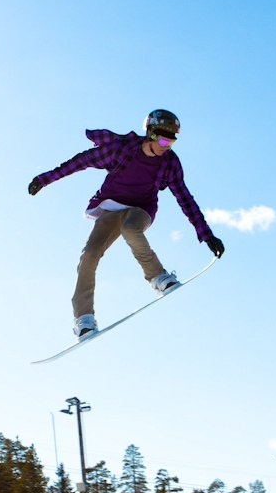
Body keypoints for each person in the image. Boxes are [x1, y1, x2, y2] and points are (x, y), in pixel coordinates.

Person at [28, 109, 224, 338]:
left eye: (171, 142)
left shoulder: (170, 163)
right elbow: (81, 161)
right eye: (163, 141)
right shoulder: (121, 150)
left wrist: (206, 235)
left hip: (141, 209)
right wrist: (44, 179)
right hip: (110, 208)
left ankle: (158, 277)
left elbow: (185, 199)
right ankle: (84, 318)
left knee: (130, 228)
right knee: (89, 255)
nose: (166, 146)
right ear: (150, 134)